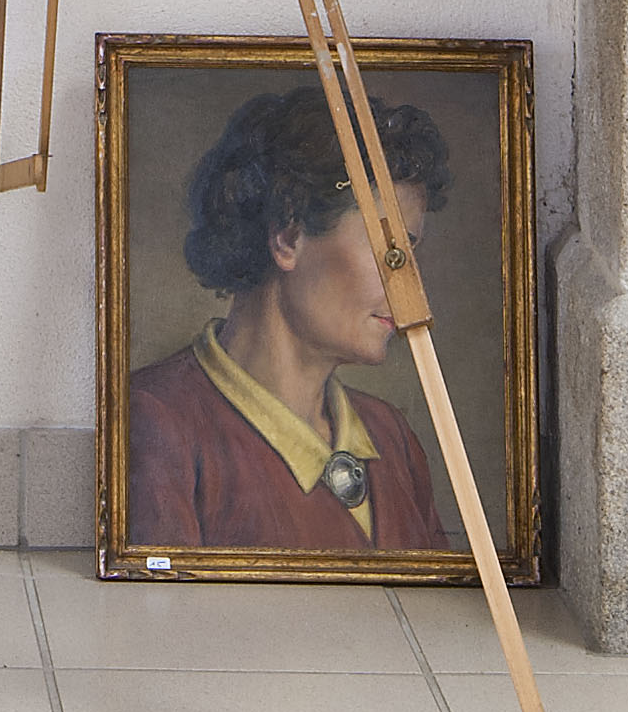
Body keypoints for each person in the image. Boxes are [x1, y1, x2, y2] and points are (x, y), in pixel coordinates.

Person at [125, 81, 460, 555]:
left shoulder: (390, 435)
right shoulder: (155, 420)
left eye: (411, 253)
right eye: (390, 250)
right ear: (288, 237)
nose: (412, 285)